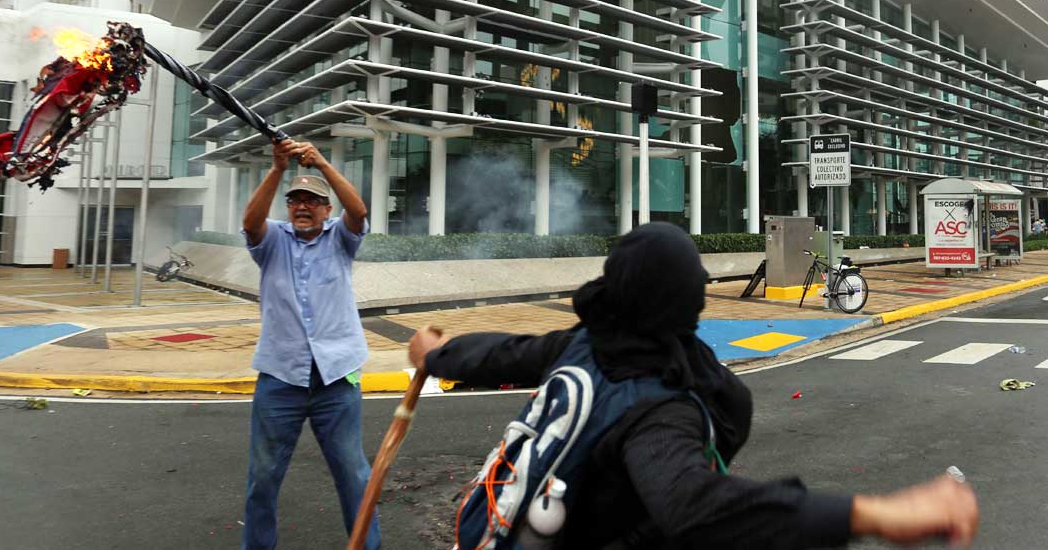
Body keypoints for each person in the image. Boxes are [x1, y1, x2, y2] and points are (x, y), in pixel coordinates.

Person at [408, 223, 978, 549]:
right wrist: (875, 514)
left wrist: (435, 355)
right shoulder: (658, 406)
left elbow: (499, 354)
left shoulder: (586, 341)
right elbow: (697, 506)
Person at [241, 138, 379, 550]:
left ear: (326, 209)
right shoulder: (272, 242)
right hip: (280, 376)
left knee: (353, 474)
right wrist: (277, 168)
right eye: (295, 200)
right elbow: (250, 224)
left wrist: (321, 161)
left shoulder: (341, 238)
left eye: (313, 201)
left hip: (336, 378)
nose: (303, 206)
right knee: (262, 476)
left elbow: (360, 211)